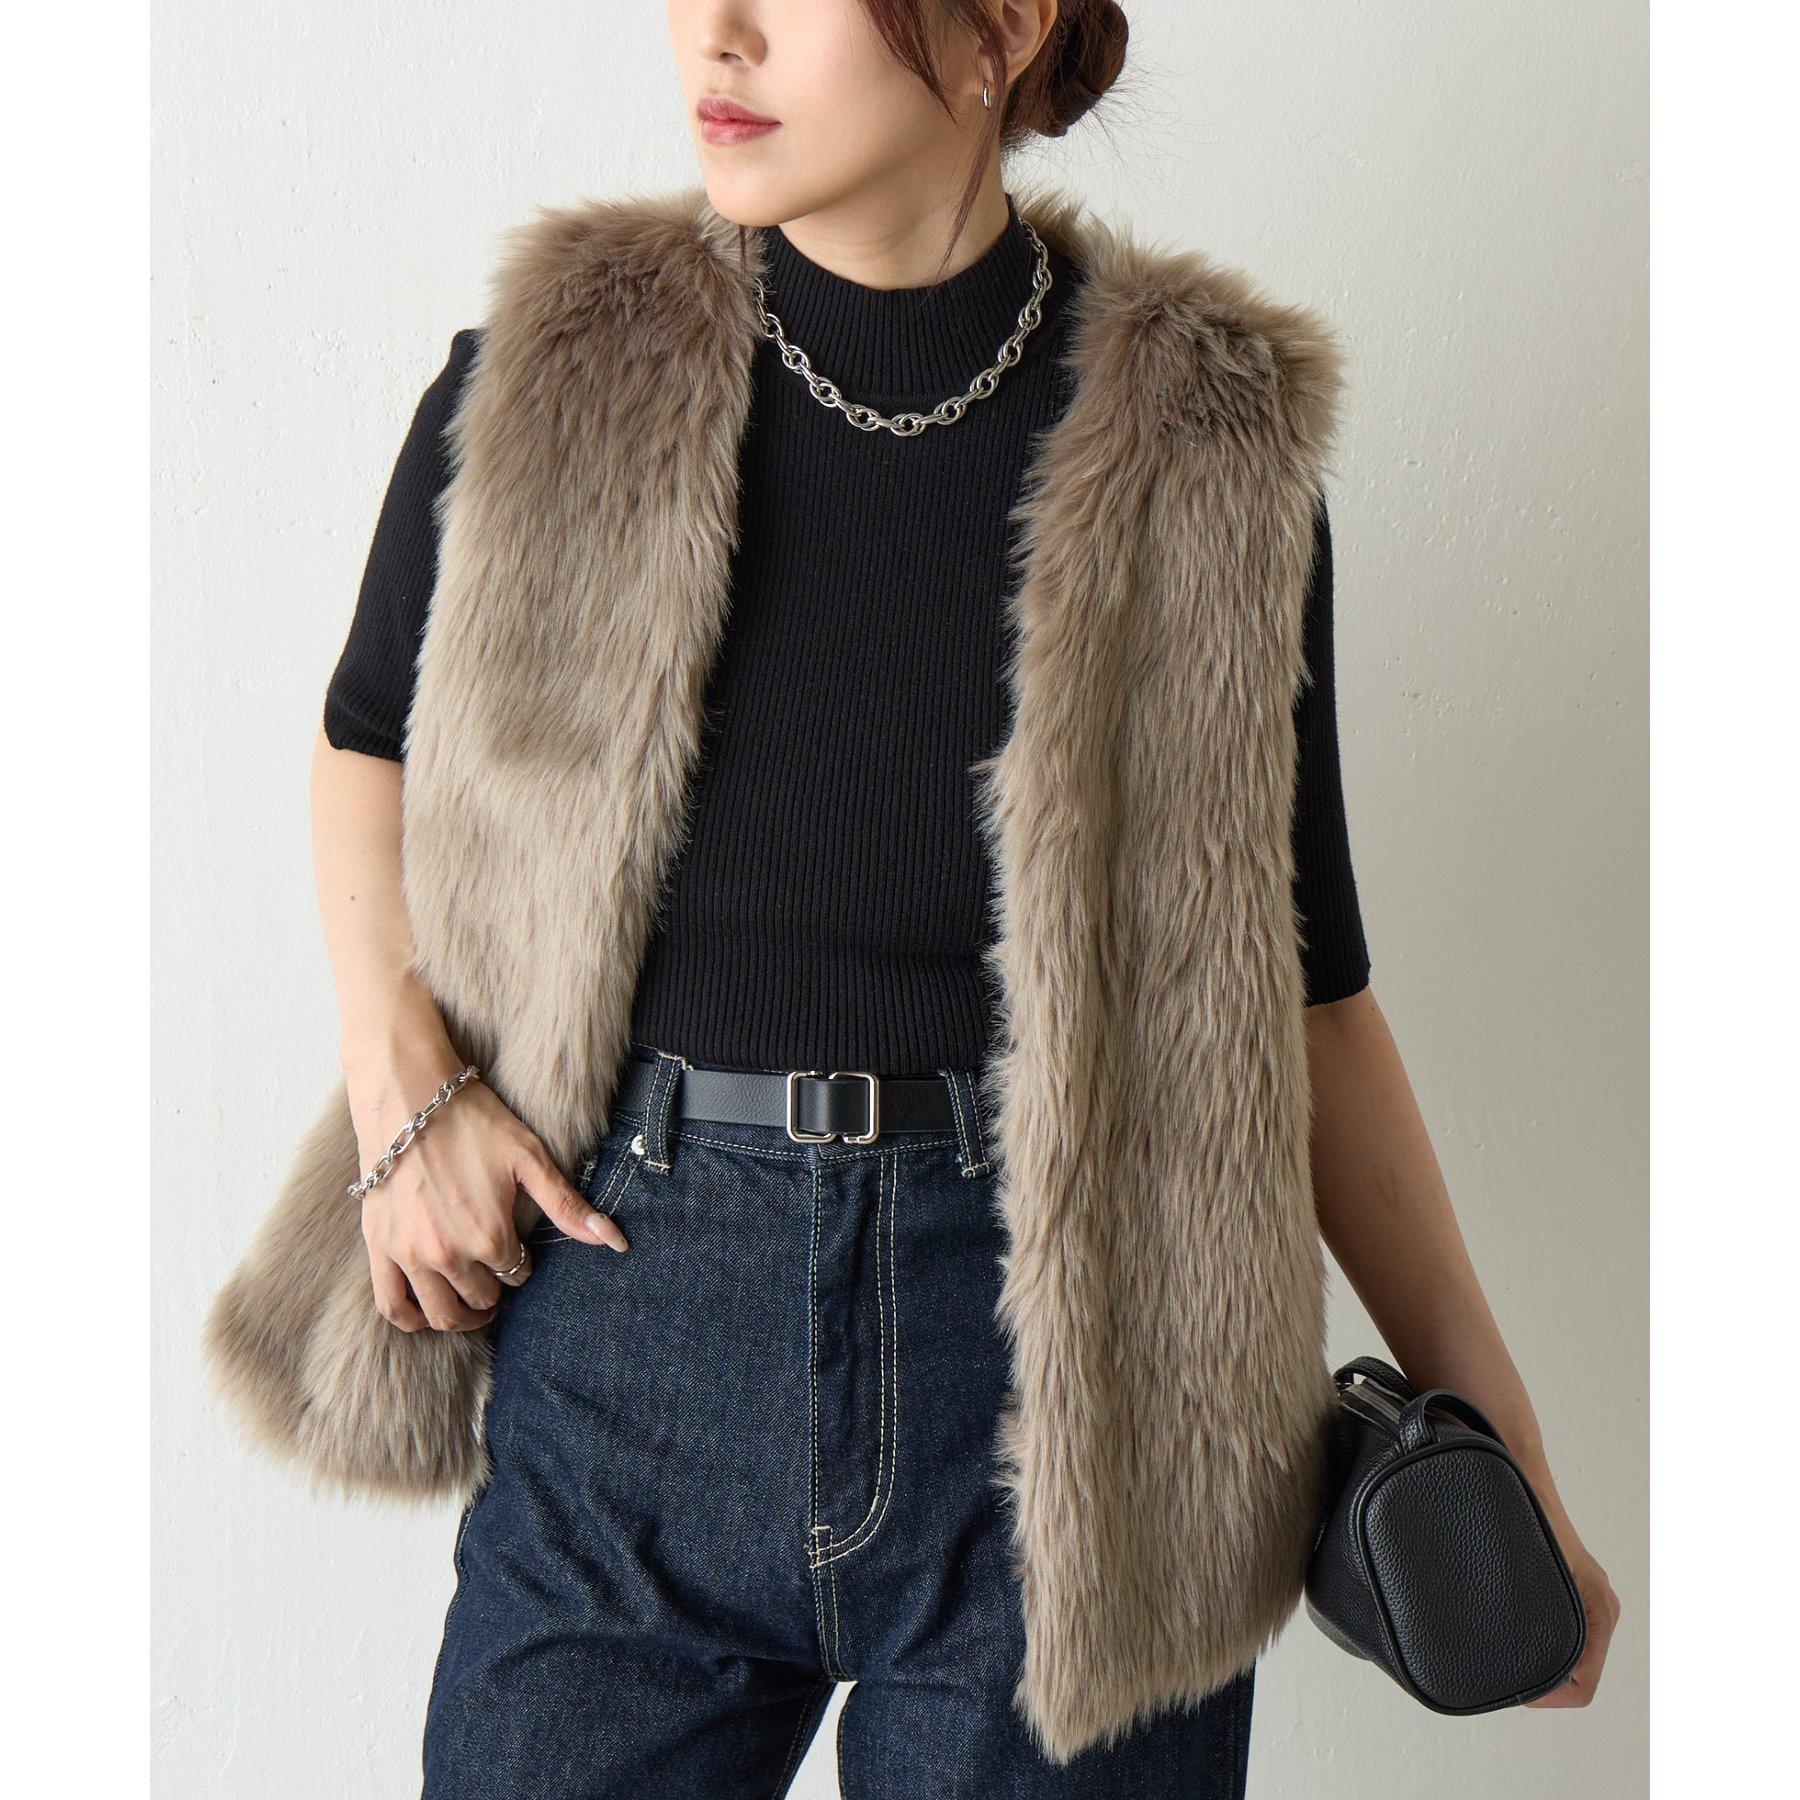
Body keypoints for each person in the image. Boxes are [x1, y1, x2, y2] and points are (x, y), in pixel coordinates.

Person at [305, 3, 1619, 1793]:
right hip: (629, 1335)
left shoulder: (1205, 453)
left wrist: (1500, 1442)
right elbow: (367, 740)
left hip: (1079, 1397)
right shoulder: (552, 378)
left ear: (1003, 24)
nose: (718, 34)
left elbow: (1302, 995)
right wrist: (402, 1081)